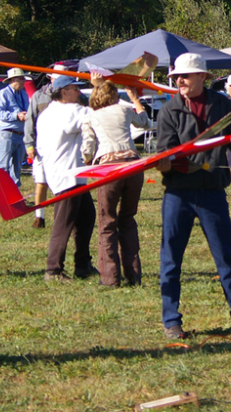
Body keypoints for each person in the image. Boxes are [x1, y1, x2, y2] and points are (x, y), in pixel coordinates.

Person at [155, 53, 231, 340]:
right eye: (177, 77)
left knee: (225, 258)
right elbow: (165, 149)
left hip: (212, 191)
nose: (180, 81)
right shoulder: (169, 110)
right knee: (171, 259)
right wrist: (165, 161)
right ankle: (171, 320)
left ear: (202, 77)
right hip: (177, 193)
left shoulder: (222, 105)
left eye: (185, 76)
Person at [81, 79, 154, 286]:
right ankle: (134, 274)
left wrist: (87, 161)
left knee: (107, 222)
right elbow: (145, 122)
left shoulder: (90, 117)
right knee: (128, 218)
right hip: (133, 166)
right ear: (114, 96)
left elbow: (87, 147)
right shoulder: (123, 111)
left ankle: (110, 278)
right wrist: (134, 98)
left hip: (109, 169)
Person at [36, 75, 97, 282]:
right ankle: (53, 270)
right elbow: (98, 114)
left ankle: (83, 265)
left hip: (66, 174)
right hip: (67, 175)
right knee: (63, 224)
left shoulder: (46, 113)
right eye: (75, 89)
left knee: (87, 217)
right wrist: (101, 89)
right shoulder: (71, 111)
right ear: (64, 92)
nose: (79, 92)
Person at [24, 64, 69, 229]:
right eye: (58, 78)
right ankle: (39, 217)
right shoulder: (38, 96)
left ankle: (63, 217)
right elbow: (30, 120)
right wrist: (29, 145)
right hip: (42, 147)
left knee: (64, 184)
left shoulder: (70, 95)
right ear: (51, 78)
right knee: (41, 183)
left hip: (64, 147)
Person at [0, 68, 29, 188]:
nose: (24, 81)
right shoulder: (2, 94)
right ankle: (2, 193)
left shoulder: (23, 94)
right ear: (14, 80)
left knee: (17, 167)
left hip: (21, 134)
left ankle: (15, 195)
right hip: (7, 133)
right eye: (22, 79)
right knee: (3, 166)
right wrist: (16, 115)